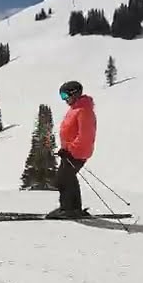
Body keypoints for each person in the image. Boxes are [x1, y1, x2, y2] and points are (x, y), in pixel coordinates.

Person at [49, 80, 97, 219]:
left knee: (63, 179)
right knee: (68, 178)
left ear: (74, 94)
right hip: (71, 151)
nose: (64, 100)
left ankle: (68, 209)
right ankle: (73, 208)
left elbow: (85, 136)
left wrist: (70, 149)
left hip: (77, 152)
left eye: (65, 96)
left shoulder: (84, 111)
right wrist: (65, 149)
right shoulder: (76, 109)